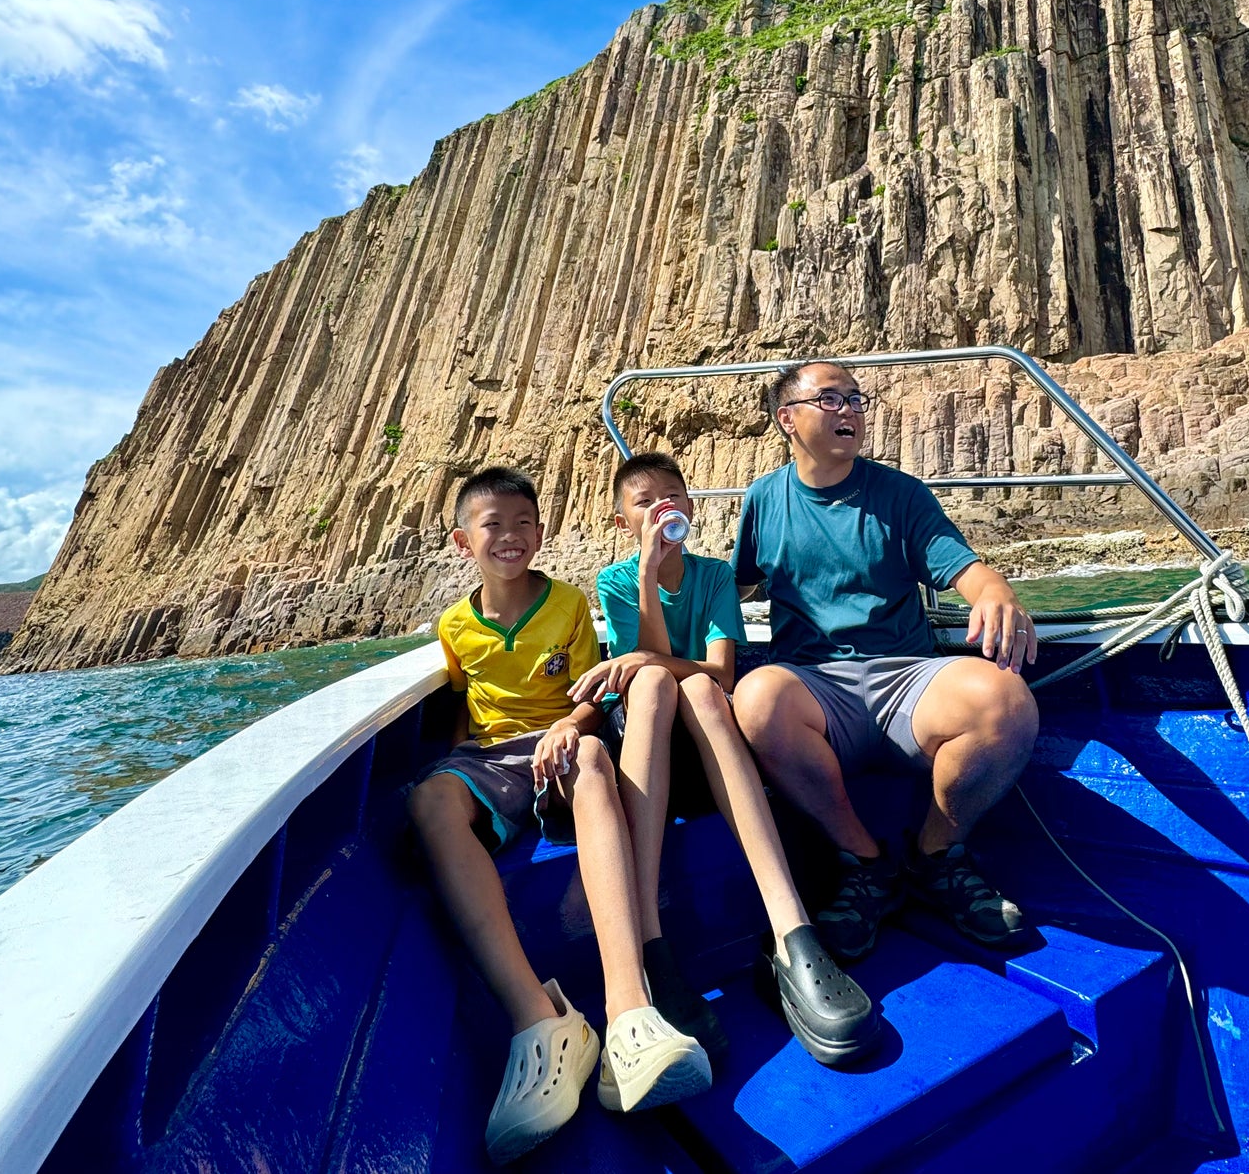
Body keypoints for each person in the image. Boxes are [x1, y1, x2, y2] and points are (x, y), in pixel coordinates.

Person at [408, 467, 710, 1166]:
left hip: (564, 742)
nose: (510, 536)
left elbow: (589, 695)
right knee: (428, 799)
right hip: (494, 755)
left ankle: (629, 1010)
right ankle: (539, 1022)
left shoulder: (570, 603)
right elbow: (465, 702)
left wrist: (573, 726)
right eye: (493, 524)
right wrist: (456, 767)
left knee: (597, 761)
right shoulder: (455, 624)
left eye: (523, 523)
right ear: (463, 541)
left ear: (541, 532)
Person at [571, 452, 879, 1068]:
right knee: (659, 685)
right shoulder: (615, 581)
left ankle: (792, 930)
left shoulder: (713, 577)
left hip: (711, 741)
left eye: (672, 496)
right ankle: (652, 949)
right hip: (647, 743)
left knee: (695, 687)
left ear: (689, 507)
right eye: (643, 501)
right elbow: (644, 668)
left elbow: (718, 670)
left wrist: (650, 663)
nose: (661, 507)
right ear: (619, 519)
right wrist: (648, 582)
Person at [731, 361, 1040, 963]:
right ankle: (865, 863)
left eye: (856, 398)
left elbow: (962, 568)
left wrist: (995, 589)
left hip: (907, 678)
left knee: (1004, 700)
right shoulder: (764, 499)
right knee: (758, 698)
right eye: (831, 399)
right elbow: (734, 591)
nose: (850, 410)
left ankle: (935, 856)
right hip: (816, 686)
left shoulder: (898, 493)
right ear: (786, 419)